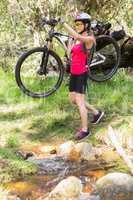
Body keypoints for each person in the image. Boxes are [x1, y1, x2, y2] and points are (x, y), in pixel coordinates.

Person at [61, 13, 104, 140]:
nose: (77, 26)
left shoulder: (90, 39)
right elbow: (69, 54)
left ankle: (85, 130)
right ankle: (97, 113)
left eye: (79, 24)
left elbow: (77, 35)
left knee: (79, 101)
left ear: (86, 25)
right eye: (76, 24)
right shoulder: (76, 39)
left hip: (81, 73)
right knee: (73, 100)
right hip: (73, 73)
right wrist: (70, 41)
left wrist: (63, 24)